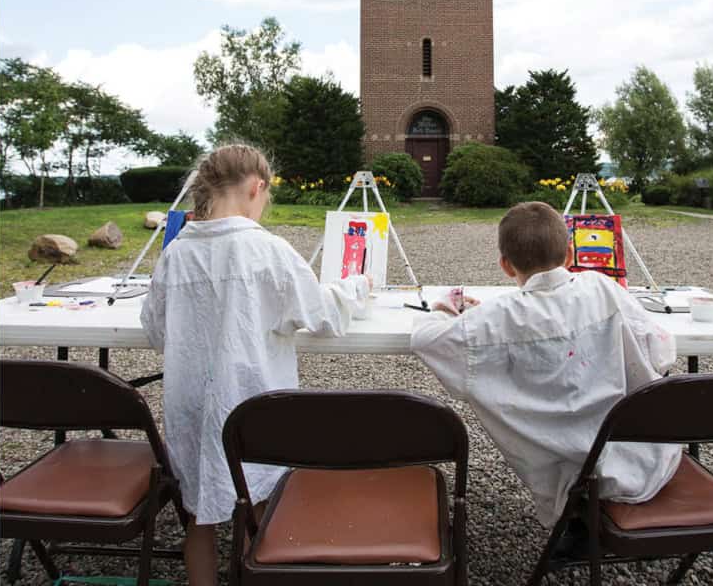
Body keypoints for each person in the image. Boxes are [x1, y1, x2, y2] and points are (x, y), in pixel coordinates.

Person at [137, 144, 370, 585]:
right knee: (257, 503)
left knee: (198, 516)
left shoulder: (177, 252)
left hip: (191, 404)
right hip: (252, 405)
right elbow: (321, 315)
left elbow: (154, 329)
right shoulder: (267, 250)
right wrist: (358, 286)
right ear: (256, 188)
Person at [411, 202, 677, 533]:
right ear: (569, 255)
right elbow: (662, 352)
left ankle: (578, 523)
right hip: (647, 461)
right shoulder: (602, 287)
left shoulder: (498, 317)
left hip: (571, 479)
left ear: (506, 266)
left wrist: (443, 309)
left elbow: (425, 339)